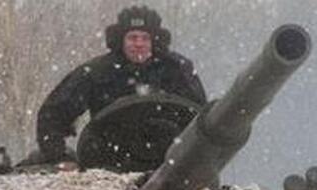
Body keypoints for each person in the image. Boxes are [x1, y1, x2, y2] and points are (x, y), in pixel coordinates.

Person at [34, 5, 208, 166]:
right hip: (108, 165)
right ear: (121, 40)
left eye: (145, 38)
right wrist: (60, 157)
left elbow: (200, 117)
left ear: (154, 41)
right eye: (132, 38)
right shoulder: (97, 72)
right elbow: (53, 113)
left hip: (168, 165)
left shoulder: (177, 70)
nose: (139, 44)